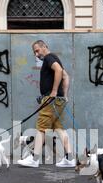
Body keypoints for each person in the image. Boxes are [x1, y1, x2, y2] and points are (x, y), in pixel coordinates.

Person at [18, 40, 75, 168]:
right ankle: (70, 158)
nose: (36, 54)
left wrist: (54, 92)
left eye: (37, 50)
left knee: (41, 128)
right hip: (57, 100)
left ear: (45, 47)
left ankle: (34, 159)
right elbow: (66, 76)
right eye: (34, 52)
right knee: (58, 128)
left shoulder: (49, 58)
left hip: (51, 100)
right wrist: (64, 96)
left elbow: (59, 71)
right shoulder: (54, 58)